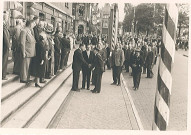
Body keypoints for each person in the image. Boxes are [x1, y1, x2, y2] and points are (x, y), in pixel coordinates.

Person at [2, 11, 11, 80]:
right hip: (5, 46)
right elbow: (5, 37)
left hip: (5, 45)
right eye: (8, 17)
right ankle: (3, 75)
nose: (8, 18)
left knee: (5, 60)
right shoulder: (3, 25)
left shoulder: (5, 25)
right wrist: (9, 46)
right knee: (4, 60)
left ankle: (3, 72)